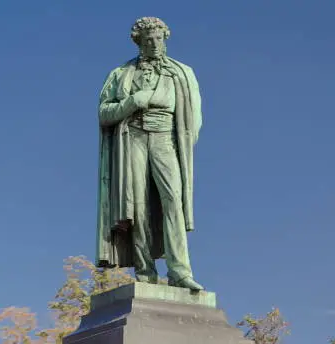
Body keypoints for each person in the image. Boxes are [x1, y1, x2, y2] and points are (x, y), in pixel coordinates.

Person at [95, 17, 204, 290]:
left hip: (166, 138)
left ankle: (180, 271)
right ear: (139, 43)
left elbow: (194, 120)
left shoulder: (182, 72)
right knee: (138, 206)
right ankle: (146, 273)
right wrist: (132, 101)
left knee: (172, 201)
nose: (155, 44)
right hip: (132, 138)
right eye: (148, 40)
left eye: (159, 38)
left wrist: (181, 145)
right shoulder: (121, 74)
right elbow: (104, 113)